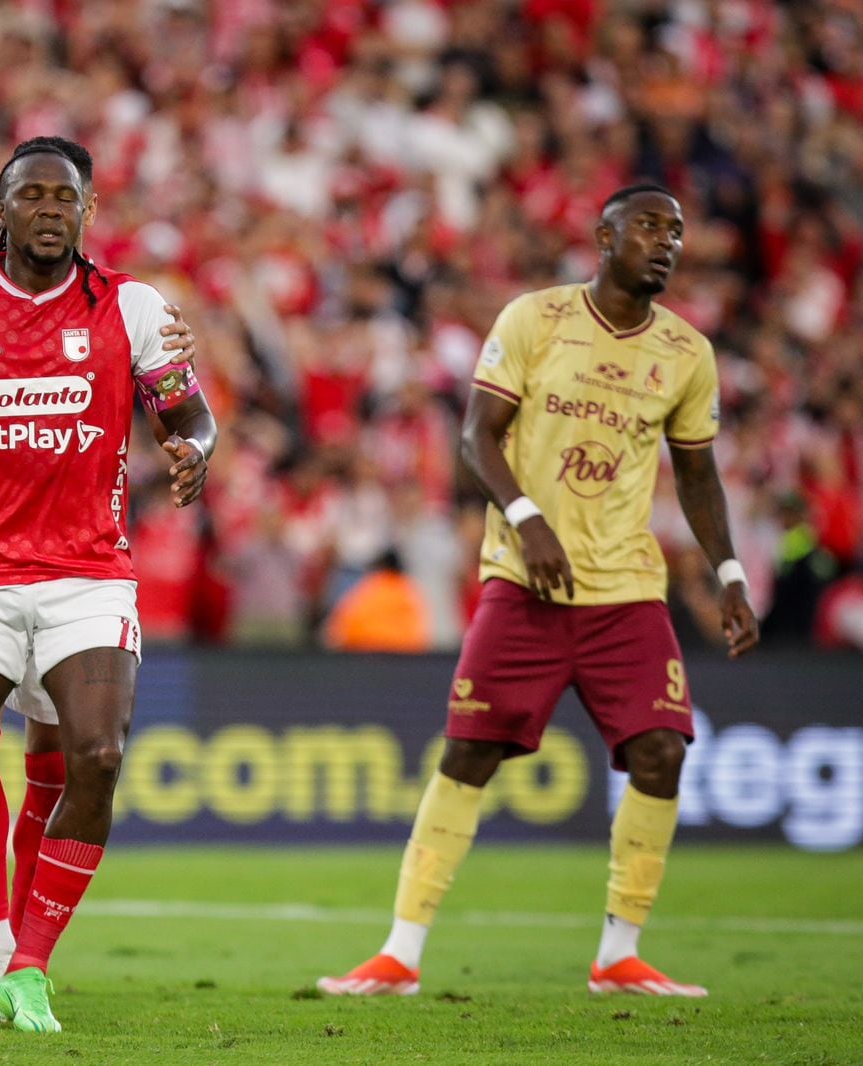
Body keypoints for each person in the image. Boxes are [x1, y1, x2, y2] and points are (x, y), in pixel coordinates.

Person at [317, 185, 758, 999]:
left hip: (626, 589)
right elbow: (475, 435)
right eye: (649, 227)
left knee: (661, 751)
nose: (665, 243)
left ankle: (618, 954)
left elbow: (698, 475)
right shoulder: (534, 319)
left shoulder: (687, 352)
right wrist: (527, 520)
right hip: (524, 581)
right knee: (468, 754)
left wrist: (729, 574)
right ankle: (401, 953)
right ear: (604, 235)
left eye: (677, 232)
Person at [0, 137, 217, 1032]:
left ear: (89, 210)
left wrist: (194, 452)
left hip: (88, 573)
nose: (51, 209)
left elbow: (191, 414)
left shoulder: (135, 308)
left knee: (95, 758)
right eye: (32, 195)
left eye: (66, 197)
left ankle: (27, 965)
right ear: (1, 208)